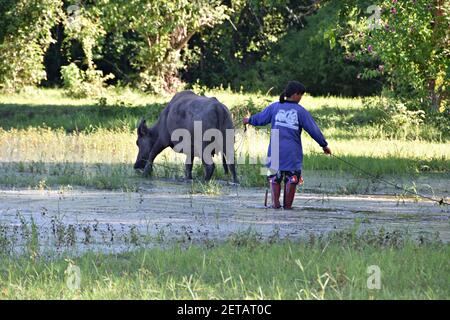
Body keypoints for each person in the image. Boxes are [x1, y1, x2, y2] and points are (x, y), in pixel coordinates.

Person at [243, 81, 331, 209]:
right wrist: (323, 145)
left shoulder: (274, 107)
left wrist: (248, 120)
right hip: (292, 153)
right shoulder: (300, 111)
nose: (301, 98)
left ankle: (275, 206)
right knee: (292, 179)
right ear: (295, 94)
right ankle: (288, 209)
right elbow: (313, 130)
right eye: (301, 95)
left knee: (274, 178)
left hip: (274, 151)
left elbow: (260, 119)